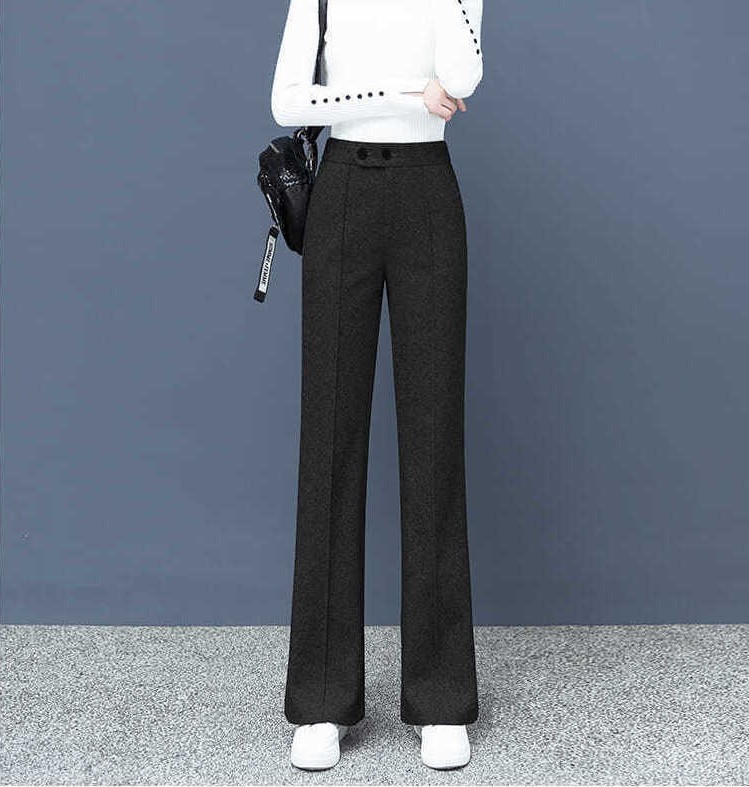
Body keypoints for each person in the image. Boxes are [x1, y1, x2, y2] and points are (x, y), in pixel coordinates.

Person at [269, 0, 484, 771]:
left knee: (433, 439)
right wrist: (403, 92)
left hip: (428, 195)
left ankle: (441, 697)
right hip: (343, 195)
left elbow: (464, 77)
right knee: (329, 436)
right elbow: (288, 101)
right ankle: (321, 700)